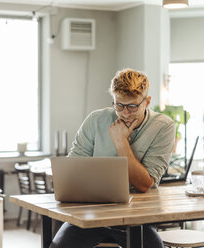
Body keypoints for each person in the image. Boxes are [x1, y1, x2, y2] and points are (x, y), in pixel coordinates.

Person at [50, 68, 175, 248]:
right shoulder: (95, 120)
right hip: (91, 215)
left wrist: (120, 141)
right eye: (119, 105)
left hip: (138, 219)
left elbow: (145, 183)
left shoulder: (163, 126)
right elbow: (72, 171)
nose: (125, 113)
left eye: (132, 106)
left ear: (147, 101)